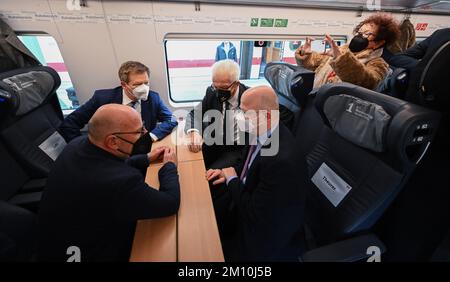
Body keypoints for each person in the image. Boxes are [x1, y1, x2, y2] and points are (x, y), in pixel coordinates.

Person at [38, 104, 180, 261]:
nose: (145, 133)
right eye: (139, 131)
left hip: (59, 242)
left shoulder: (76, 144)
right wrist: (169, 166)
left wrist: (146, 158)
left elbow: (107, 165)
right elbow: (170, 203)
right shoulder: (122, 183)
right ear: (113, 142)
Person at [206, 86, 307, 261]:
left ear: (267, 116)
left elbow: (254, 213)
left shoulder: (281, 161)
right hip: (248, 197)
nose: (240, 118)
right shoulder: (261, 131)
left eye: (245, 113)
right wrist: (227, 173)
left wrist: (232, 180)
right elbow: (247, 165)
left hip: (263, 235)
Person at [59, 61, 177, 143]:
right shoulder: (102, 99)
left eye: (146, 83)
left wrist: (150, 136)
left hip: (142, 149)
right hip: (113, 152)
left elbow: (171, 120)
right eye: (137, 84)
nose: (144, 88)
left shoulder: (153, 98)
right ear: (124, 85)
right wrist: (86, 150)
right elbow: (69, 124)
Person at [295, 13, 400, 90]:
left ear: (379, 43)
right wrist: (306, 54)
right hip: (317, 97)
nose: (359, 36)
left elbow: (367, 81)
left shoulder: (379, 64)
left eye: (366, 34)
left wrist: (341, 59)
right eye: (359, 32)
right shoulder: (341, 50)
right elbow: (316, 63)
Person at [185, 59, 249, 170]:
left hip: (236, 149)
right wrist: (194, 132)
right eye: (215, 86)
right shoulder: (211, 92)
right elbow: (194, 114)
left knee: (209, 174)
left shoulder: (250, 98)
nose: (218, 92)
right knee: (190, 164)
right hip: (214, 142)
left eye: (223, 88)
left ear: (236, 84)